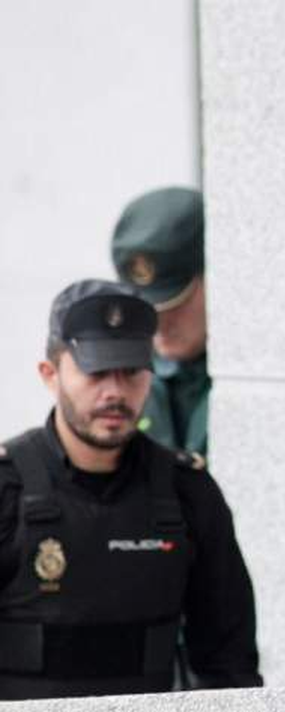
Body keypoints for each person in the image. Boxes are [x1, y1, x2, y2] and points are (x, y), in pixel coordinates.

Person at [0, 280, 261, 699]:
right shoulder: (7, 488)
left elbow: (229, 664)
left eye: (132, 372)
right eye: (96, 372)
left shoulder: (187, 491)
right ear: (50, 374)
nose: (116, 392)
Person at [112, 187, 210, 458]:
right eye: (146, 308)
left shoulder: (254, 375)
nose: (159, 323)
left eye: (175, 304)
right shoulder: (121, 376)